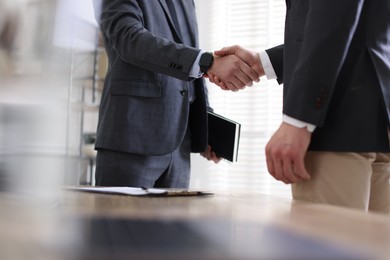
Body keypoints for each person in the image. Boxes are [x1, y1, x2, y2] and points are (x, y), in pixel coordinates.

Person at [212, 0, 390, 213]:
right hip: (378, 116)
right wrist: (264, 62)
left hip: (334, 124)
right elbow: (361, 22)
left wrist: (299, 119)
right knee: (373, 244)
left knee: (330, 243)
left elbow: (332, 19)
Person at [91, 0, 261, 188]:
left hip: (180, 146)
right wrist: (208, 61)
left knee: (175, 218)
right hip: (131, 140)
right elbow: (129, 39)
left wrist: (205, 125)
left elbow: (194, 65)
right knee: (120, 217)